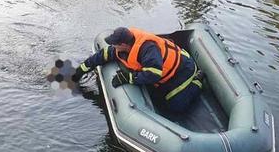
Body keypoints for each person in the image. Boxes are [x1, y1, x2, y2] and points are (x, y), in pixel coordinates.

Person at [72, 27, 203, 113]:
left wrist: (129, 78)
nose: (113, 46)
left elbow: (153, 75)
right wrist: (80, 71)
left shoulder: (148, 49)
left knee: (175, 106)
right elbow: (102, 55)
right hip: (164, 73)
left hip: (182, 71)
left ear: (123, 44)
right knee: (157, 96)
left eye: (115, 44)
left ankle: (197, 81)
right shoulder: (122, 48)